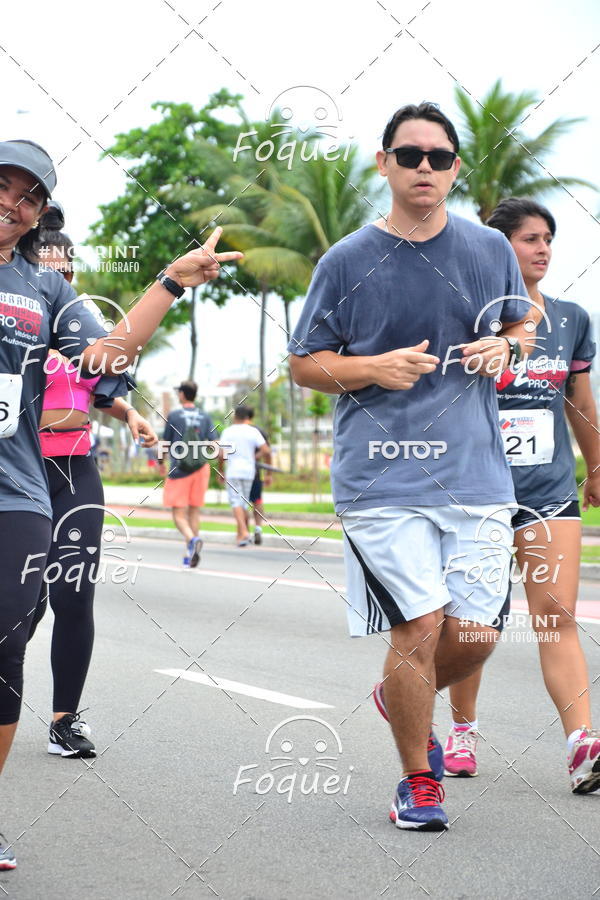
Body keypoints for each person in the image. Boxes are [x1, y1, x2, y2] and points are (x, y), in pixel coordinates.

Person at [288, 103, 534, 831]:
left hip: (478, 476)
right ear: (383, 163)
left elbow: (525, 318)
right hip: (380, 480)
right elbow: (304, 364)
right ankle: (419, 782)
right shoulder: (347, 261)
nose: (423, 167)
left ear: (456, 168)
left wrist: (509, 347)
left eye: (437, 156)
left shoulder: (489, 248)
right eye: (408, 155)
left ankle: (402, 694)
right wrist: (371, 368)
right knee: (418, 629)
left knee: (481, 634)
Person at [0, 138, 241, 869]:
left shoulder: (40, 288)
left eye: (29, 197)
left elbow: (107, 356)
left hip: (17, 489)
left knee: (8, 641)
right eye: (4, 185)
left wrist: (168, 281)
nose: (13, 204)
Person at [445, 198, 600, 792]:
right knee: (477, 622)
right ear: (499, 247)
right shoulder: (471, 316)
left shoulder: (572, 318)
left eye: (548, 238)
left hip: (548, 493)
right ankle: (462, 731)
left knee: (555, 616)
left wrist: (596, 465)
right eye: (529, 238)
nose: (543, 249)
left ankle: (582, 744)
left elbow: (579, 403)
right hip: (477, 494)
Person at [28, 207, 158, 760]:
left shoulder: (79, 333)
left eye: (66, 272)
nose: (57, 281)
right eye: (45, 269)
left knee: (74, 598)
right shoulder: (19, 327)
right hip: (21, 472)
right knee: (23, 603)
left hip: (75, 473)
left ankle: (64, 721)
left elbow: (99, 389)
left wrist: (127, 414)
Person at [159, 380, 215, 568]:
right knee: (194, 511)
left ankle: (191, 540)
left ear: (182, 394)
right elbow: (214, 444)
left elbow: (165, 443)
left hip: (179, 468)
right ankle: (190, 554)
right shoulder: (205, 416)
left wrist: (160, 462)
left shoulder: (174, 415)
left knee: (179, 514)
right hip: (201, 468)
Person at [218, 405, 271, 546]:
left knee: (236, 502)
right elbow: (266, 450)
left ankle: (243, 532)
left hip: (233, 471)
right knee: (243, 502)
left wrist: (221, 470)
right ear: (247, 417)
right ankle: (243, 534)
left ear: (235, 417)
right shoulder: (253, 432)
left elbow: (222, 454)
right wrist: (253, 457)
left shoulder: (228, 432)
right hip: (249, 472)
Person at [247, 410, 272, 545]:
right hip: (256, 472)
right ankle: (258, 528)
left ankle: (243, 532)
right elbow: (268, 453)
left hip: (239, 472)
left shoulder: (235, 431)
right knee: (257, 500)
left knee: (241, 503)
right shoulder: (259, 431)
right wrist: (269, 474)